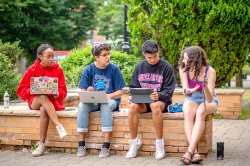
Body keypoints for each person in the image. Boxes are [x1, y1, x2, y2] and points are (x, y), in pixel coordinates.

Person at [126, 40, 176, 159]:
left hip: (160, 103)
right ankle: (134, 142)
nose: (152, 60)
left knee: (154, 106)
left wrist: (158, 95)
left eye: (155, 56)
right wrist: (132, 97)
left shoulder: (166, 67)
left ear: (158, 52)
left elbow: (169, 91)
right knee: (132, 107)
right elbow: (133, 86)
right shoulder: (139, 67)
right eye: (149, 57)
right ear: (144, 55)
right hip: (143, 103)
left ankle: (159, 142)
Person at [16, 44, 68, 157]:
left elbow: (63, 90)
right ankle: (59, 125)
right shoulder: (32, 69)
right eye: (48, 56)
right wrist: (34, 90)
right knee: (42, 97)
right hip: (35, 101)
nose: (51, 59)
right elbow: (21, 90)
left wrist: (57, 92)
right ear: (40, 57)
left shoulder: (58, 70)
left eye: (52, 56)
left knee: (44, 109)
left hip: (51, 103)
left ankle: (41, 145)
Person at [77, 42, 126, 158]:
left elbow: (121, 91)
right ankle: (81, 144)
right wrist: (88, 91)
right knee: (82, 106)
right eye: (104, 55)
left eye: (109, 54)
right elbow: (82, 91)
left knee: (106, 105)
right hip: (94, 101)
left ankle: (106, 145)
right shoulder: (88, 70)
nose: (108, 57)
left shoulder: (114, 69)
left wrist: (109, 96)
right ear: (96, 57)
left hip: (111, 100)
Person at [178, 46, 218, 165]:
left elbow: (210, 99)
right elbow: (185, 92)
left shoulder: (210, 71)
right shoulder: (183, 68)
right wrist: (188, 91)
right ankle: (194, 152)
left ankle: (189, 151)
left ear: (195, 59)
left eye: (186, 59)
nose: (183, 61)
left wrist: (204, 85)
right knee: (188, 112)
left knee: (201, 112)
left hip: (208, 99)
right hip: (192, 97)